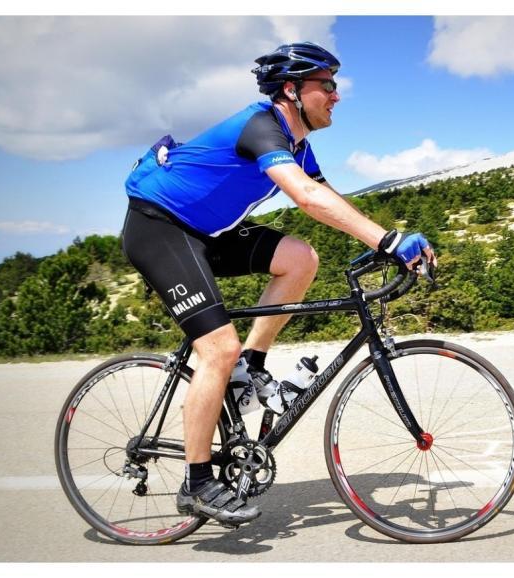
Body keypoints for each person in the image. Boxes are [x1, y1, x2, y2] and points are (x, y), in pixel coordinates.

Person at [120, 42, 435, 526]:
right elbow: (306, 197)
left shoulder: (298, 146)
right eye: (326, 85)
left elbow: (329, 195)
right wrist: (389, 240)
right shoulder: (262, 127)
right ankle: (198, 482)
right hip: (159, 227)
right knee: (216, 350)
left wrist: (385, 241)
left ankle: (251, 365)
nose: (336, 95)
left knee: (300, 259)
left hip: (207, 234)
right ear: (291, 90)